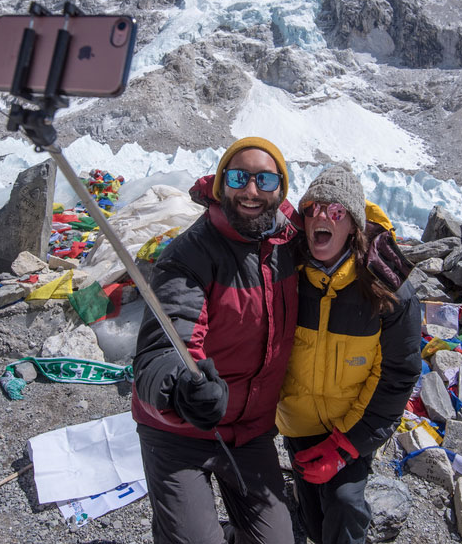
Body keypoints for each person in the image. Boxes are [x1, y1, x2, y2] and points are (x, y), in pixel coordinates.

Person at [132, 136, 302, 544]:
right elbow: (163, 347)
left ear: (280, 189)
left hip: (250, 429)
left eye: (264, 180)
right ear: (221, 183)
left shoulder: (291, 245)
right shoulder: (189, 254)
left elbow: (341, 255)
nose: (250, 191)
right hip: (179, 430)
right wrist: (181, 391)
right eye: (239, 177)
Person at [277, 163, 421, 544]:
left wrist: (346, 446)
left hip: (351, 427)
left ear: (354, 224)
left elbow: (398, 374)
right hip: (299, 425)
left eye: (335, 210)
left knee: (343, 505)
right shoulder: (285, 271)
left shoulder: (386, 290)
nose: (321, 216)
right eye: (313, 208)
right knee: (311, 512)